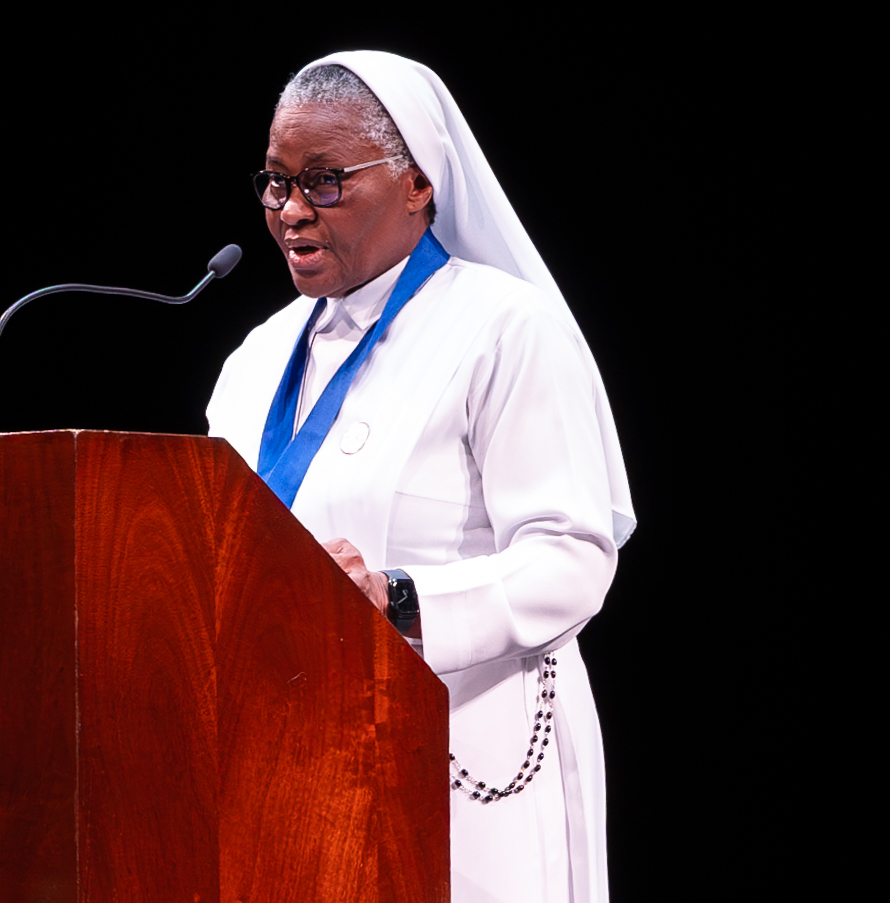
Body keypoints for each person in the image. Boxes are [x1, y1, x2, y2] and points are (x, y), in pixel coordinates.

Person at [207, 51, 635, 903]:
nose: (290, 211)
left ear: (417, 185)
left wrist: (396, 599)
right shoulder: (254, 361)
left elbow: (572, 556)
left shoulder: (505, 329)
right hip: (294, 766)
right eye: (276, 182)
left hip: (472, 766)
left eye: (325, 182)